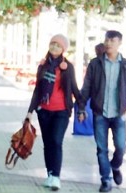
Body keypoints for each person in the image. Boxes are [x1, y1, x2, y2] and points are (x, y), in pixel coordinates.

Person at [78, 30, 126, 192]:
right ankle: (106, 180)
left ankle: (115, 166)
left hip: (119, 113)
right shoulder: (95, 64)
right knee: (102, 149)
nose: (108, 43)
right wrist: (81, 108)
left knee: (121, 146)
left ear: (119, 43)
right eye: (107, 40)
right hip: (100, 112)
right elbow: (86, 87)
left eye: (112, 41)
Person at [26, 34, 84, 191]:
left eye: (58, 46)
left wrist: (81, 107)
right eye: (52, 44)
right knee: (47, 144)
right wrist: (31, 111)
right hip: (44, 111)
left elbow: (74, 88)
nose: (54, 48)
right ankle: (50, 174)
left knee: (56, 141)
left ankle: (56, 177)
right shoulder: (43, 66)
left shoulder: (67, 67)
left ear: (63, 49)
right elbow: (38, 90)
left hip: (61, 111)